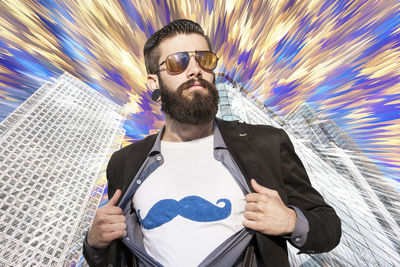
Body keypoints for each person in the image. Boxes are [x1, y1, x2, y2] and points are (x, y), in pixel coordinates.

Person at [83, 19, 341, 267]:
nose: (195, 69)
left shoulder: (267, 143)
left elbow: (328, 226)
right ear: (154, 83)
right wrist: (94, 243)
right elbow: (116, 254)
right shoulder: (125, 162)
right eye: (177, 62)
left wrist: (290, 221)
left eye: (204, 60)